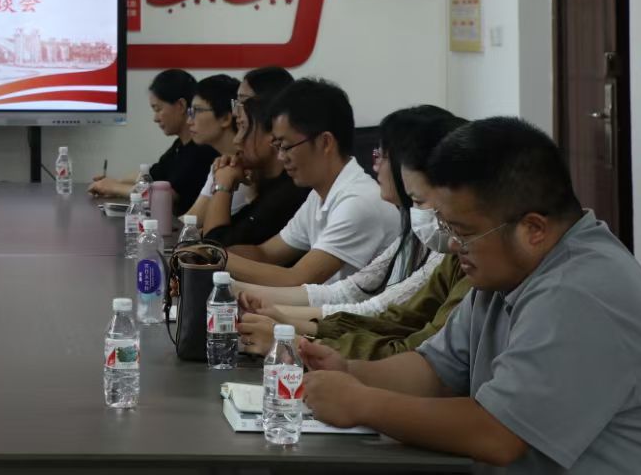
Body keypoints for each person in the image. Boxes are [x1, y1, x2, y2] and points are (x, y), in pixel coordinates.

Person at [301, 118, 641, 473]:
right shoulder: (503, 275)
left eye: (463, 231)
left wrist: (363, 403)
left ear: (533, 229)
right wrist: (351, 371)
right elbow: (435, 372)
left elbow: (497, 435)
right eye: (447, 226)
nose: (452, 244)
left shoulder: (578, 290)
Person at [235, 105, 464, 336]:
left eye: (382, 156)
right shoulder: (414, 226)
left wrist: (277, 317)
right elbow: (348, 291)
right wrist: (248, 298)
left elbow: (377, 312)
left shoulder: (365, 203)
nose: (375, 165)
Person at [223, 78, 399, 286]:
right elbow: (265, 253)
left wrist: (218, 259)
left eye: (286, 146)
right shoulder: (320, 194)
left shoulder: (359, 202)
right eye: (278, 146)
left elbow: (295, 278)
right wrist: (209, 253)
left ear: (325, 142)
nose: (281, 157)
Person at [87, 69, 218, 214]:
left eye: (158, 109)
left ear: (181, 106)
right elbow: (151, 176)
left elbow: (166, 197)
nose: (155, 118)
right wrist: (113, 182)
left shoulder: (201, 150)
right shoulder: (180, 146)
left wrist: (114, 187)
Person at [198, 85, 311, 247]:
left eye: (243, 127)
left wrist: (223, 184)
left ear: (273, 136)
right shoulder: (269, 186)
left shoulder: (288, 193)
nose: (236, 140)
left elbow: (215, 247)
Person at [188, 67, 295, 225]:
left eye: (243, 101)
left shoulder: (287, 192)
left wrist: (223, 186)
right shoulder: (242, 169)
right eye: (236, 102)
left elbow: (216, 238)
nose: (235, 111)